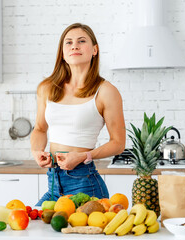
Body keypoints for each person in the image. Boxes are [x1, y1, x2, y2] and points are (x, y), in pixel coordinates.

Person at [31, 23, 126, 206]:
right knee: (37, 230)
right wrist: (36, 151)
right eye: (68, 42)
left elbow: (118, 144)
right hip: (53, 183)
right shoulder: (47, 88)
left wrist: (83, 156)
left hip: (85, 184)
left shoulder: (106, 91)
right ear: (62, 52)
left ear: (94, 50)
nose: (74, 46)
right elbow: (40, 129)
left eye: (81, 41)